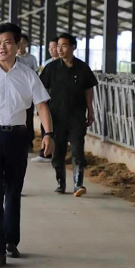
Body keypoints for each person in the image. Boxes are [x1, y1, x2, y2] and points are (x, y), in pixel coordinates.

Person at [0, 22, 54, 268]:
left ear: (17, 45)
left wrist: (48, 134)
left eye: (7, 43)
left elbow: (41, 105)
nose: (1, 47)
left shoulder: (28, 74)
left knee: (13, 192)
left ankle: (10, 240)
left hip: (17, 137)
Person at [40, 33, 98, 197]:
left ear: (73, 47)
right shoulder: (51, 68)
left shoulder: (82, 68)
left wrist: (90, 109)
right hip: (56, 117)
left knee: (77, 150)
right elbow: (41, 88)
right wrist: (43, 110)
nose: (60, 49)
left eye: (64, 46)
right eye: (58, 46)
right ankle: (61, 182)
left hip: (77, 116)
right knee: (58, 153)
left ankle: (78, 184)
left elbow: (88, 89)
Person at [31, 37, 60, 163]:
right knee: (46, 125)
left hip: (63, 102)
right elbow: (41, 84)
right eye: (50, 48)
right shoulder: (48, 64)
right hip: (48, 100)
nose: (52, 50)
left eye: (54, 47)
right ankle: (46, 153)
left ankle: (56, 154)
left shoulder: (70, 65)